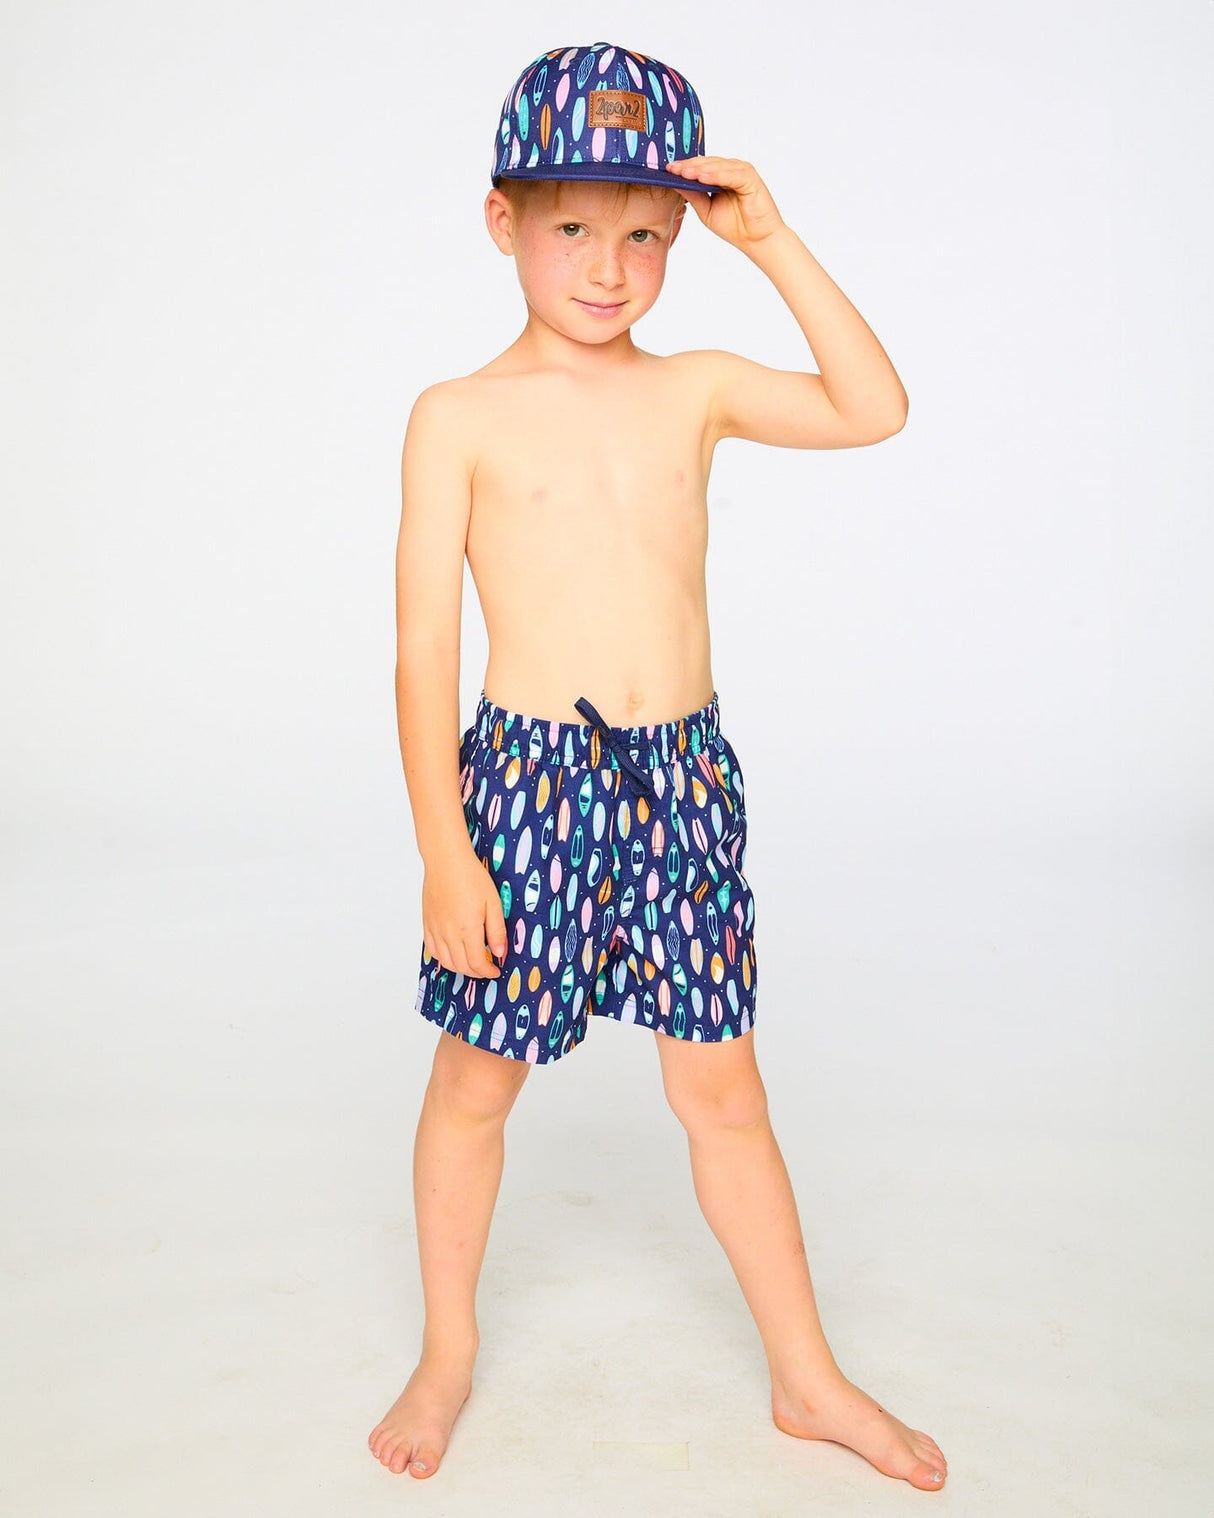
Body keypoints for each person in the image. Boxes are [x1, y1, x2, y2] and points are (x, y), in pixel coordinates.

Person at [369, 40, 947, 1493]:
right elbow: (419, 653)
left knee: (725, 1092)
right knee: (478, 1083)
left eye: (645, 233)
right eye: (572, 225)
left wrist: (771, 240)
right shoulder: (458, 415)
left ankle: (805, 1378)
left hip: (680, 784)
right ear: (501, 220)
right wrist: (447, 848)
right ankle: (447, 1349)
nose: (610, 266)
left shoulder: (689, 386)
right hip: (527, 792)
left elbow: (873, 406)